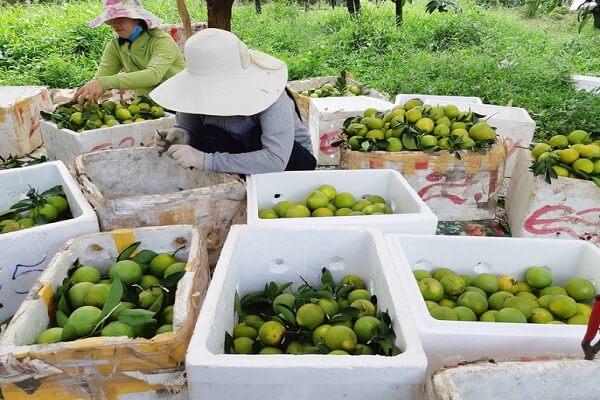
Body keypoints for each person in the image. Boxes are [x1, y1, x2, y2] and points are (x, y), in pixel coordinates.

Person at [150, 28, 316, 175]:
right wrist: (182, 135)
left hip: (290, 162)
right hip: (236, 151)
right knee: (207, 135)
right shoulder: (194, 94)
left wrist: (204, 160)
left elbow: (275, 159)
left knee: (257, 135)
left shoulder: (270, 95)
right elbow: (188, 127)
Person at [73, 0, 185, 104]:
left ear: (137, 18)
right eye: (112, 19)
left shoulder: (161, 41)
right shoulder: (116, 46)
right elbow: (103, 75)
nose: (115, 23)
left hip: (177, 103)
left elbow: (153, 75)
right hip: (145, 105)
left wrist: (104, 82)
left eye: (121, 18)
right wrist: (86, 92)